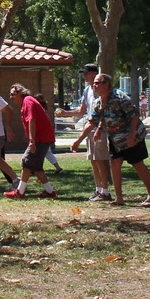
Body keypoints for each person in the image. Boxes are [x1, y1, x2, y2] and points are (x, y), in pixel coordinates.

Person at [83, 72, 150, 206]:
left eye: (97, 82)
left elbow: (134, 115)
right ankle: (119, 198)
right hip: (115, 139)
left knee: (138, 164)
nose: (94, 85)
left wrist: (131, 136)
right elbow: (93, 121)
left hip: (132, 136)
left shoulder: (119, 97)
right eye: (93, 83)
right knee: (114, 163)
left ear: (107, 85)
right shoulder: (98, 102)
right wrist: (78, 140)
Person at [61, 64, 112, 201]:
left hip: (99, 128)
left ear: (94, 73)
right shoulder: (87, 90)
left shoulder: (101, 91)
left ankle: (105, 191)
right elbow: (82, 111)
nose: (84, 76)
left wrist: (99, 128)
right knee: (93, 160)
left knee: (100, 160)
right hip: (89, 127)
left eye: (86, 73)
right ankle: (98, 189)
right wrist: (65, 113)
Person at [4, 84, 58, 199]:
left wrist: (32, 140)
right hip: (43, 137)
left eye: (13, 94)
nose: (11, 97)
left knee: (26, 161)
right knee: (36, 167)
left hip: (40, 138)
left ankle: (20, 192)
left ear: (20, 92)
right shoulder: (28, 101)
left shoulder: (27, 101)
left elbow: (32, 120)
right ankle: (49, 192)